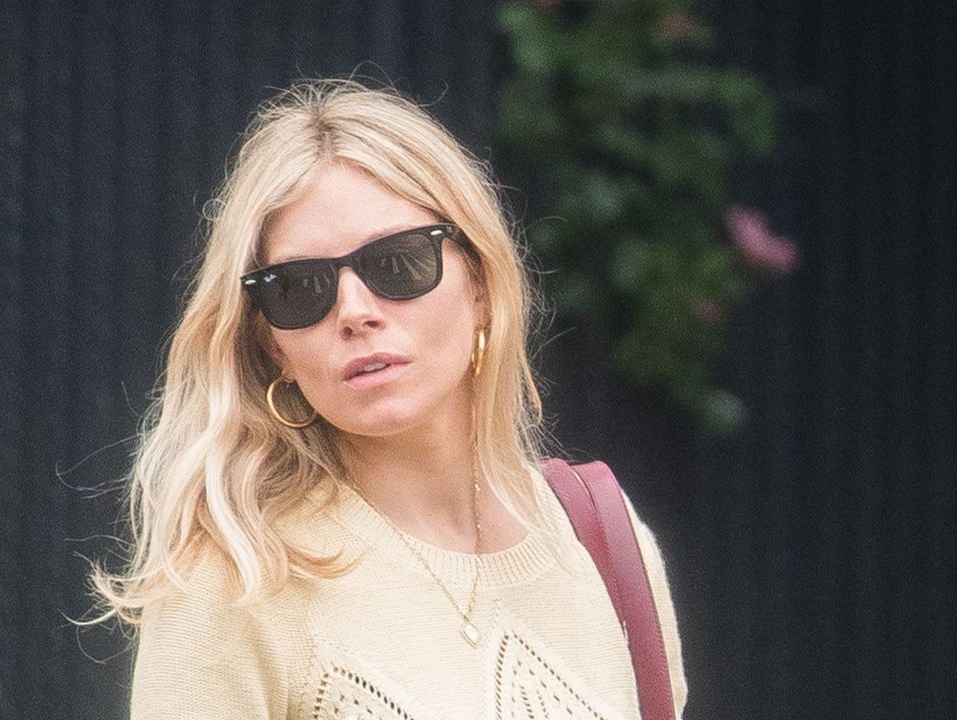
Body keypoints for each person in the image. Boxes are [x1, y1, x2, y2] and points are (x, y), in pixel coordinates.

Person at [93, 78, 687, 720]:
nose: (354, 311)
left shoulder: (597, 540)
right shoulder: (235, 581)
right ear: (272, 345)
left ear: (481, 285)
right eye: (300, 288)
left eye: (398, 263)